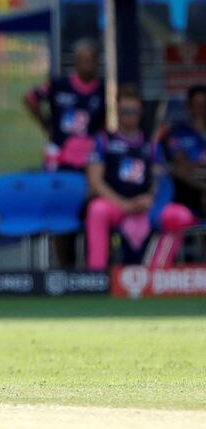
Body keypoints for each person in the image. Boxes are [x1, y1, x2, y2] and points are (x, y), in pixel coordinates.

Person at [86, 85, 195, 270]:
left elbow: (159, 180)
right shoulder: (103, 141)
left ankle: (156, 272)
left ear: (141, 112)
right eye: (125, 111)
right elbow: (95, 181)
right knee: (97, 210)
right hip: (115, 204)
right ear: (118, 111)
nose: (129, 116)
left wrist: (149, 198)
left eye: (133, 111)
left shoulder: (151, 146)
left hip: (145, 206)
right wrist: (122, 204)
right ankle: (97, 274)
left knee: (181, 216)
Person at [24, 38, 106, 171]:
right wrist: (45, 123)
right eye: (84, 60)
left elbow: (104, 124)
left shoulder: (102, 91)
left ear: (97, 62)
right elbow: (30, 98)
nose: (88, 65)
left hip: (87, 155)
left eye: (91, 60)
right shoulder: (59, 85)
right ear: (76, 61)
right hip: (58, 151)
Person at [161, 85, 206, 218]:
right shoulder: (178, 132)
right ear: (189, 106)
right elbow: (180, 165)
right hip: (189, 188)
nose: (202, 109)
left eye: (204, 104)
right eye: (197, 104)